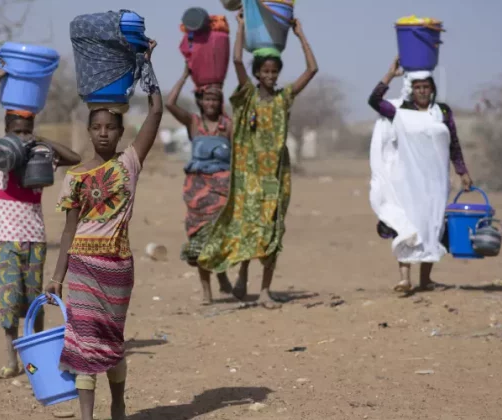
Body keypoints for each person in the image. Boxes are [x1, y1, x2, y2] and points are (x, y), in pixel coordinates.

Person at [46, 39, 161, 420]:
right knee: (82, 344)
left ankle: (119, 402)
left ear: (120, 131)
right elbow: (68, 231)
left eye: (110, 128)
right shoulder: (76, 177)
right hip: (80, 267)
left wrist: (146, 67)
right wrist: (57, 277)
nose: (103, 134)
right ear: (89, 130)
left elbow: (156, 114)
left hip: (117, 270)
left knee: (111, 344)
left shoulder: (129, 162)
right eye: (96, 127)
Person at [198, 13, 318, 309]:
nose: (270, 75)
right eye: (265, 70)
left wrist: (300, 34)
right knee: (247, 226)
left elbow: (313, 69)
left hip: (276, 176)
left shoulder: (284, 98)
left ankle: (264, 290)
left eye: (274, 71)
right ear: (258, 72)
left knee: (272, 230)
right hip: (248, 175)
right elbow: (238, 61)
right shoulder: (248, 96)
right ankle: (242, 273)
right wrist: (240, 27)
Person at [0, 64, 81, 380]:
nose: (22, 138)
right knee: (9, 301)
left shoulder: (40, 156)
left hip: (34, 237)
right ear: (6, 134)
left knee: (34, 302)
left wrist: (41, 141)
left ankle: (35, 361)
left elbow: (74, 158)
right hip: (6, 237)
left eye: (26, 131)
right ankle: (12, 361)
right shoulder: (0, 155)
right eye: (16, 132)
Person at [367, 56, 473, 293]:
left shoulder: (442, 112)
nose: (422, 91)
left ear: (432, 89)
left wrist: (462, 171)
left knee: (432, 225)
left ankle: (426, 279)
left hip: (435, 180)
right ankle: (405, 278)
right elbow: (374, 100)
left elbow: (453, 143)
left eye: (426, 87)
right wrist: (389, 75)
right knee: (407, 224)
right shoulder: (398, 111)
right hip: (407, 180)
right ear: (411, 89)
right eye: (417, 87)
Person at [166, 67, 234, 304]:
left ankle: (223, 274)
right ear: (201, 101)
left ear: (220, 101)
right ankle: (207, 289)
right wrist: (185, 75)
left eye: (215, 98)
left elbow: (240, 156)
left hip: (222, 192)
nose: (211, 102)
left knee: (219, 238)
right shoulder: (193, 123)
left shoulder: (229, 126)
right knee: (199, 240)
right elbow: (170, 103)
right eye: (207, 98)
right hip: (196, 193)